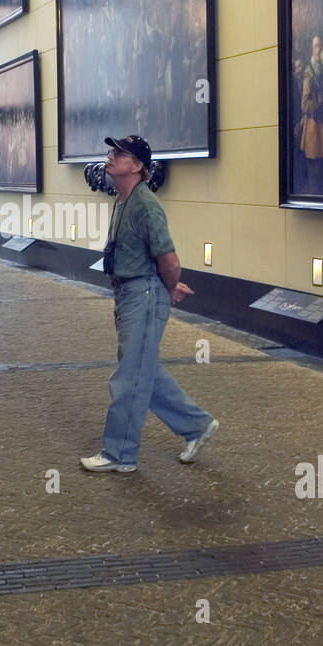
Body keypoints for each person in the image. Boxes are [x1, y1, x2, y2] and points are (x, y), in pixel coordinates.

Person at [80, 135, 217, 473]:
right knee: (143, 369)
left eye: (120, 154)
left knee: (129, 375)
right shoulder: (123, 200)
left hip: (142, 295)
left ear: (137, 166)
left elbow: (169, 259)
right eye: (112, 152)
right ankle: (196, 425)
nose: (111, 157)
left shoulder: (145, 204)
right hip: (131, 293)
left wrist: (169, 287)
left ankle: (119, 454)